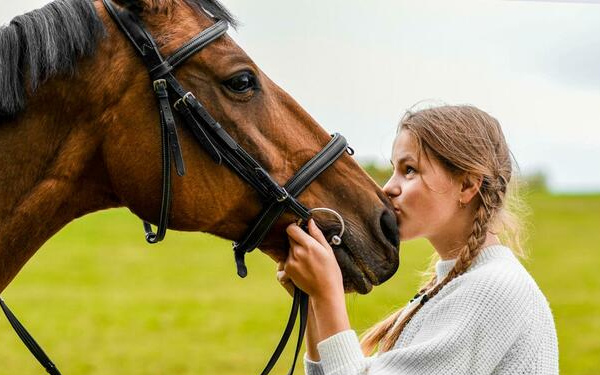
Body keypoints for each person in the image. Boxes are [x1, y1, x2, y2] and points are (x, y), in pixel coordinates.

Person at [277, 105, 559, 374]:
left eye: (409, 170)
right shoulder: (459, 284)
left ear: (467, 185)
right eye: (393, 170)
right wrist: (314, 301)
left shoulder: (493, 291)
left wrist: (328, 295)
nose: (388, 187)